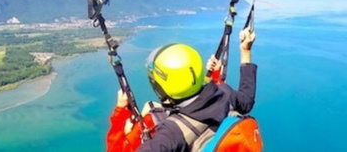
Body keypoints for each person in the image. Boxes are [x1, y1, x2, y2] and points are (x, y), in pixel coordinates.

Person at [106, 29, 257, 152]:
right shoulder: (225, 93)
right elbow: (246, 100)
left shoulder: (171, 134)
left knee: (149, 109)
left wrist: (121, 112)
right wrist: (245, 50)